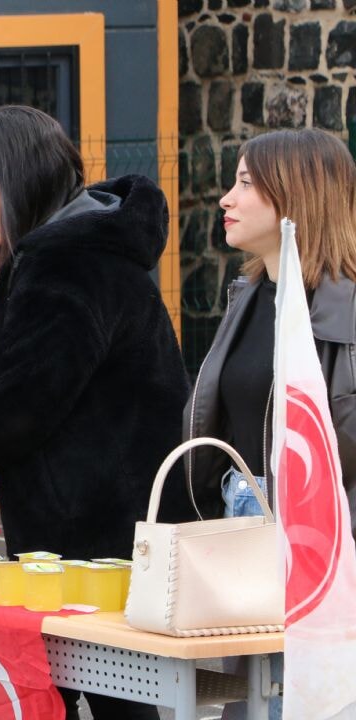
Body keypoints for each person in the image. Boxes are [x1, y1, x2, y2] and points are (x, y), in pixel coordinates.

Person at [0, 106, 189, 720]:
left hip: (98, 546)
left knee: (117, 703)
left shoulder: (68, 263)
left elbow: (18, 402)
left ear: (16, 183)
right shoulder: (76, 252)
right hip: (98, 538)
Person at [185, 128, 356, 720]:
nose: (226, 199)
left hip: (322, 555)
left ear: (297, 194)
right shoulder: (249, 295)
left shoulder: (345, 307)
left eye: (246, 183)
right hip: (244, 546)